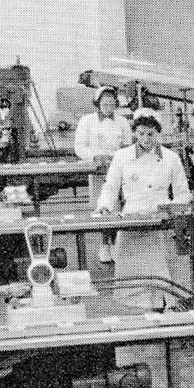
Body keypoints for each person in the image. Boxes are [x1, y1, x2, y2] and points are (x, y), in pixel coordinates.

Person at [93, 110, 188, 310]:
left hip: (160, 222)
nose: (146, 139)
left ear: (158, 134)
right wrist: (104, 206)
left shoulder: (171, 158)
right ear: (135, 133)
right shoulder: (122, 157)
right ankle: (140, 317)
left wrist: (172, 209)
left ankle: (165, 310)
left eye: (151, 134)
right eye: (142, 133)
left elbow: (182, 193)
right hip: (131, 221)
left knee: (162, 278)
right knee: (133, 283)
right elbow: (111, 187)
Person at [72, 86, 130, 267]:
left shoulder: (122, 122)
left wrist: (118, 157)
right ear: (97, 104)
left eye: (112, 104)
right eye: (104, 103)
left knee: (120, 207)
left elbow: (128, 145)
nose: (108, 107)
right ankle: (104, 244)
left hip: (119, 170)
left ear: (116, 104)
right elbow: (79, 147)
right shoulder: (86, 121)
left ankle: (117, 245)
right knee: (103, 207)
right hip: (97, 171)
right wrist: (96, 157)